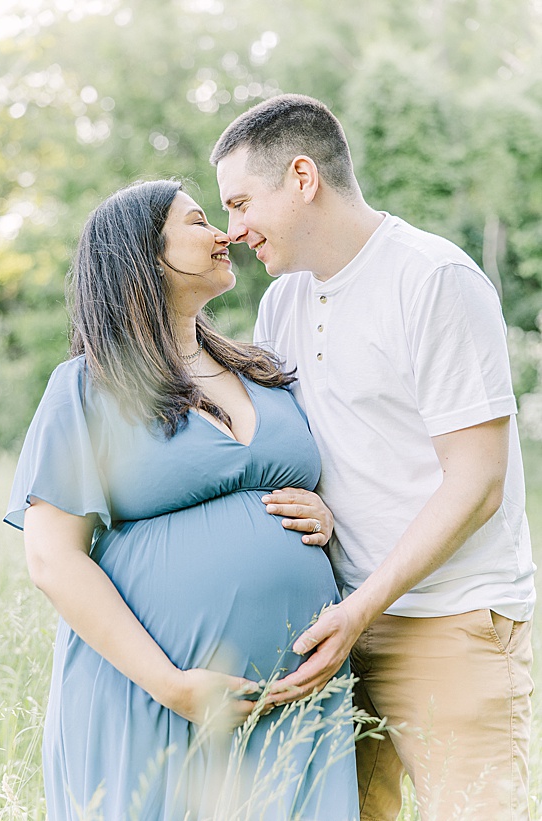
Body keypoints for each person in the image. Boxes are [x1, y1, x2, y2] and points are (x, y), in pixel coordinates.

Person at [212, 93, 535, 819]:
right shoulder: (282, 302)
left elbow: (477, 481)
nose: (232, 231)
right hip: (334, 629)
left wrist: (362, 608)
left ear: (302, 177)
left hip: (449, 621)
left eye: (240, 204)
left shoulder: (432, 280)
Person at [5, 180, 359, 820]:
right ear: (140, 255)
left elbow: (319, 477)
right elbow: (52, 560)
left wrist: (325, 513)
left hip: (299, 704)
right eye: (198, 221)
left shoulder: (263, 371)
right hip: (154, 702)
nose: (224, 232)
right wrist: (174, 687)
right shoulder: (87, 388)